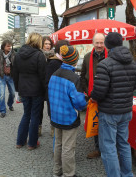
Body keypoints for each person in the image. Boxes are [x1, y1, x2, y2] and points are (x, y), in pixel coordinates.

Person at [91, 32, 136, 177]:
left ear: (107, 45)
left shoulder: (105, 64)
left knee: (108, 147)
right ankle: (127, 174)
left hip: (109, 112)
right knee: (124, 144)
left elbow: (99, 91)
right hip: (126, 110)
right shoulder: (132, 62)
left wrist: (93, 98)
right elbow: (135, 85)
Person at [48, 45, 86, 177]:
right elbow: (79, 103)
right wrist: (85, 103)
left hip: (56, 116)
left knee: (58, 144)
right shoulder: (74, 78)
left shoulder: (54, 74)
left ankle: (56, 172)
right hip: (69, 117)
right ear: (74, 60)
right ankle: (69, 174)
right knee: (68, 147)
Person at [13, 32, 46, 150]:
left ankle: (20, 142)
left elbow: (15, 74)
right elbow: (43, 75)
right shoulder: (39, 55)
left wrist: (17, 90)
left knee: (26, 114)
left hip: (23, 89)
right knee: (35, 116)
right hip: (36, 90)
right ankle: (32, 143)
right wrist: (45, 90)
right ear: (38, 42)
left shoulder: (18, 55)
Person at [80, 33, 107, 159]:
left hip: (107, 97)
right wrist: (88, 93)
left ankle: (107, 149)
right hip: (93, 97)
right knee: (95, 123)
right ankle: (98, 149)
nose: (100, 45)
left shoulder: (110, 56)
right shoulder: (87, 57)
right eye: (97, 43)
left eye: (102, 42)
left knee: (107, 124)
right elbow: (83, 77)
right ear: (93, 43)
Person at [45, 39, 70, 137]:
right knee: (54, 115)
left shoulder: (61, 61)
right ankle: (54, 131)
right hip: (54, 95)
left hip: (58, 94)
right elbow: (48, 81)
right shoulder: (55, 63)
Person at [0, 40, 15, 118]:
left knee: (13, 93)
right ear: (3, 46)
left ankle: (10, 104)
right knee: (1, 94)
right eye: (8, 46)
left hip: (11, 76)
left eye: (10, 46)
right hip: (2, 76)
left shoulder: (13, 53)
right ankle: (2, 110)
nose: (10, 47)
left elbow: (15, 64)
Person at [38, 36, 54, 137]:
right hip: (39, 85)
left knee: (51, 108)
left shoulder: (54, 56)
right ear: (42, 44)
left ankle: (53, 128)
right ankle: (38, 128)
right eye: (46, 44)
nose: (47, 46)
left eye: (49, 44)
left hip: (50, 85)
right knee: (39, 108)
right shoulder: (39, 55)